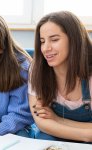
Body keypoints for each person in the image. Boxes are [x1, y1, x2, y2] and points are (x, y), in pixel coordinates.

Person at [28, 11, 92, 142]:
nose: (46, 48)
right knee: (43, 140)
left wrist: (58, 120)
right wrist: (87, 133)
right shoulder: (37, 68)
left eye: (54, 40)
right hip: (53, 134)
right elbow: (42, 122)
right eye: (42, 41)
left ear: (74, 40)